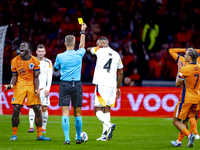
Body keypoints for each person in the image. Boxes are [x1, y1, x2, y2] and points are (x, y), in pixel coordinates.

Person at [3, 42, 52, 141]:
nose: (21, 47)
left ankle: (39, 135)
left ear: (29, 49)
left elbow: (36, 77)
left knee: (37, 109)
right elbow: (14, 76)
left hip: (31, 85)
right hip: (20, 85)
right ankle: (14, 135)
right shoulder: (14, 61)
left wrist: (37, 89)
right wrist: (11, 85)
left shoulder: (35, 61)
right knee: (16, 108)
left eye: (23, 46)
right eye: (20, 46)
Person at [54, 23, 87, 145]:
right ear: (74, 44)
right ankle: (78, 138)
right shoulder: (79, 54)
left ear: (64, 44)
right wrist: (82, 31)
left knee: (65, 113)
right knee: (77, 113)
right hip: (76, 84)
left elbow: (56, 69)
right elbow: (82, 45)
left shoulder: (59, 56)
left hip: (64, 85)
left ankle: (67, 139)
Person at [87, 37, 123, 141]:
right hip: (112, 84)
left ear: (103, 43)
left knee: (97, 109)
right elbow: (120, 72)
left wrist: (92, 47)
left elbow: (89, 49)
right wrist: (118, 87)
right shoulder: (116, 55)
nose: (97, 46)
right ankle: (104, 135)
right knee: (107, 108)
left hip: (101, 83)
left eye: (98, 43)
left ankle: (109, 124)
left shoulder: (99, 50)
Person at [169, 47, 200, 147]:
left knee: (176, 121)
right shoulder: (199, 67)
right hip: (196, 98)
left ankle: (189, 135)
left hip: (186, 99)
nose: (184, 56)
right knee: (185, 120)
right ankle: (179, 142)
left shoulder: (185, 69)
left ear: (190, 57)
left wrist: (179, 68)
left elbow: (177, 84)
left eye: (186, 55)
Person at [28, 44, 53, 133]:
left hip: (44, 89)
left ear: (45, 52)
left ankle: (43, 128)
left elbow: (49, 77)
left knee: (44, 107)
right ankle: (31, 127)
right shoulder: (31, 61)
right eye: (39, 51)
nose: (41, 53)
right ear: (36, 52)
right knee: (32, 107)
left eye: (42, 51)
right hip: (33, 88)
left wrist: (48, 89)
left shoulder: (48, 62)